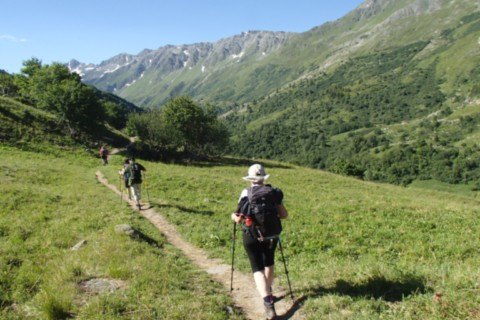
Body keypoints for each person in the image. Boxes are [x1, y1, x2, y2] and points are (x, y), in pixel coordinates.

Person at [231, 164, 288, 320]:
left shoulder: (246, 193)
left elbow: (238, 218)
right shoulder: (274, 193)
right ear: (263, 178)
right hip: (272, 235)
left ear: (250, 179)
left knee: (257, 268)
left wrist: (232, 216)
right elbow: (284, 215)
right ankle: (268, 290)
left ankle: (268, 301)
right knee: (269, 262)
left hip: (252, 235)